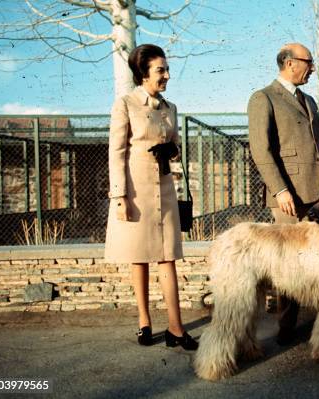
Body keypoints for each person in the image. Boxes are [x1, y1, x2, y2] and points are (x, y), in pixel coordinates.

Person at [248, 43, 319, 345]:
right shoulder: (263, 98)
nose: (313, 68)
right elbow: (261, 150)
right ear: (290, 63)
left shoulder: (308, 100)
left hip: (318, 197)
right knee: (289, 265)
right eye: (309, 62)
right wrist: (280, 189)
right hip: (288, 197)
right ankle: (286, 329)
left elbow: (316, 141)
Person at [104, 44, 197, 350]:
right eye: (160, 70)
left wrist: (172, 150)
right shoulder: (125, 104)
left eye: (167, 69)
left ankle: (176, 328)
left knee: (168, 256)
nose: (167, 75)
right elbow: (116, 153)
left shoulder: (171, 108)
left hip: (165, 187)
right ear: (142, 73)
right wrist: (119, 196)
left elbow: (175, 145)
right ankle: (144, 322)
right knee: (139, 256)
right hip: (135, 190)